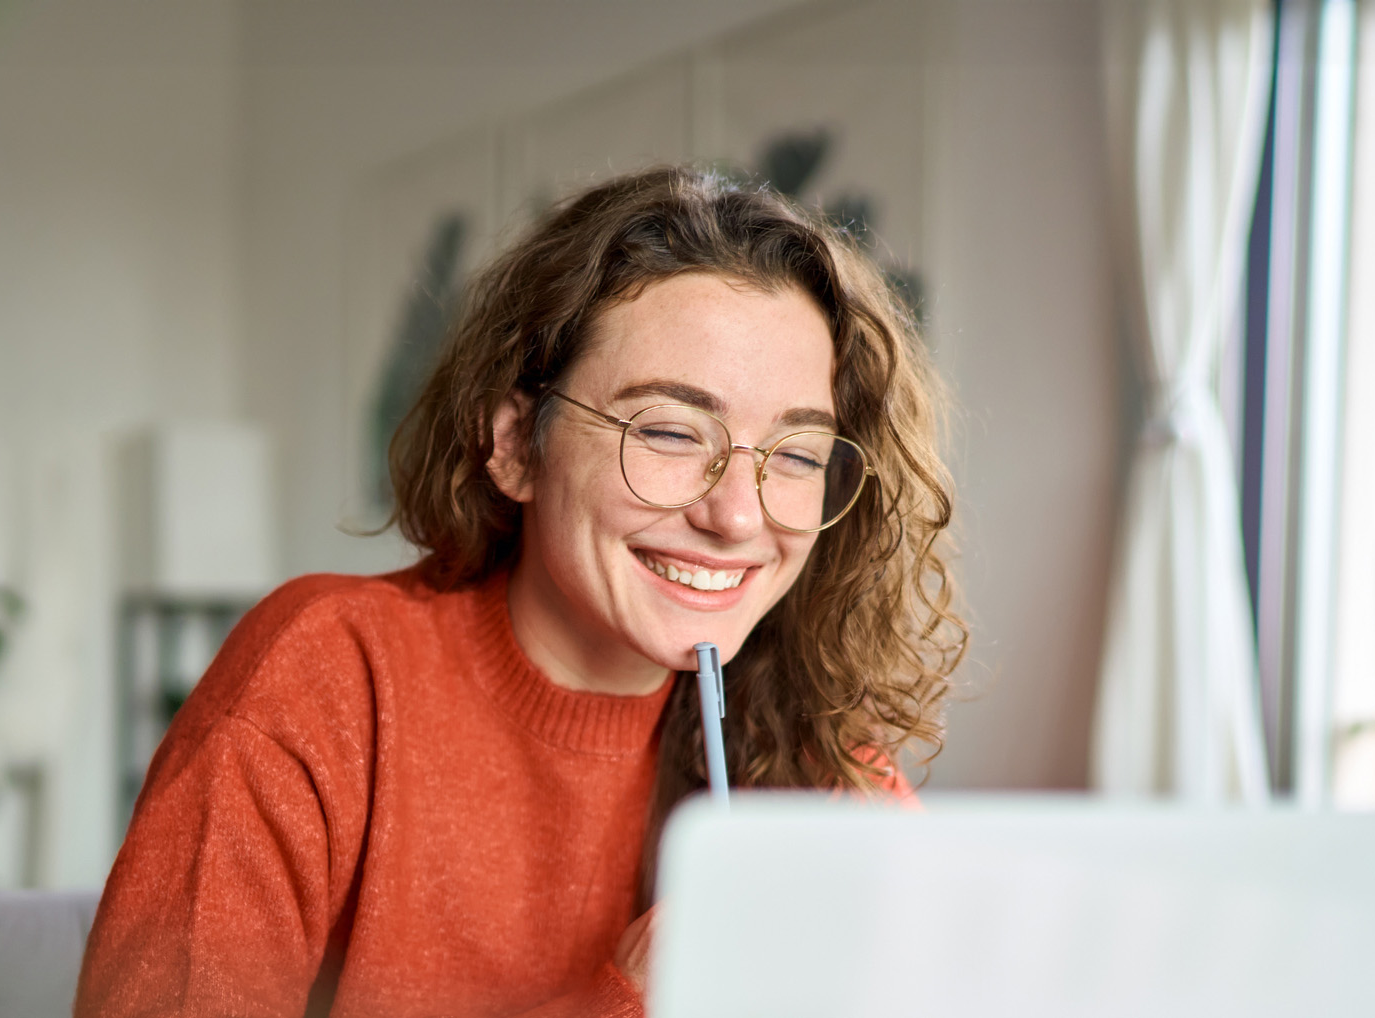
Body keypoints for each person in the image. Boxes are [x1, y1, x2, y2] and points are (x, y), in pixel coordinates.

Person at [75, 166, 964, 1018]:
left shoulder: (816, 765)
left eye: (798, 454)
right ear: (514, 444)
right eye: (667, 431)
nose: (738, 516)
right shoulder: (328, 676)